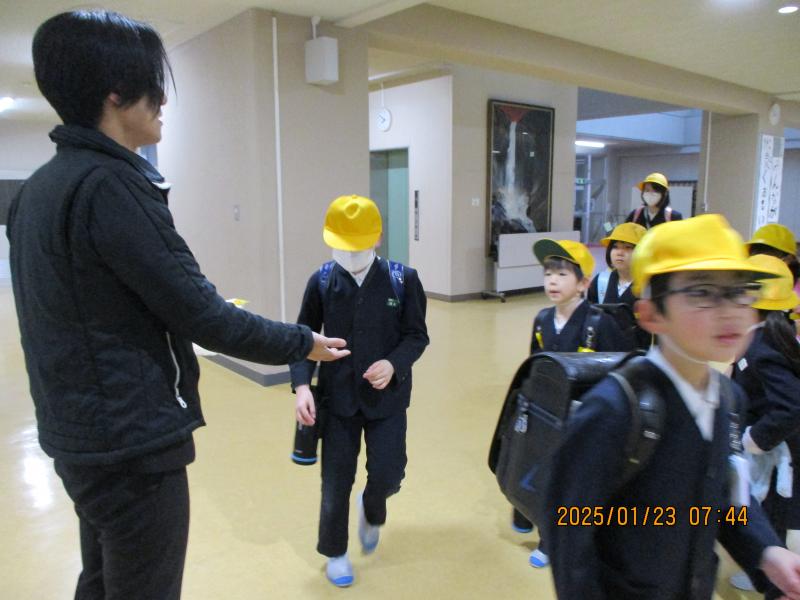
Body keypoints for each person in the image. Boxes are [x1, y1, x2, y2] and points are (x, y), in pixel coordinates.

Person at [6, 10, 348, 600]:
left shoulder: (38, 189)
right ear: (116, 93)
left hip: (77, 434)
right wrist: (303, 342)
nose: (163, 101)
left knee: (102, 577)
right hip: (131, 443)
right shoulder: (112, 187)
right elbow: (203, 315)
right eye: (152, 85)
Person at [545, 214, 800, 600]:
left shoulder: (729, 399)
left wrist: (766, 551)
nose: (730, 311)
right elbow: (569, 531)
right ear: (651, 315)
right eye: (702, 293)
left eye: (740, 292)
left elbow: (726, 494)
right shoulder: (616, 409)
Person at [289, 195, 429, 587]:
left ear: (378, 238)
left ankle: (372, 505)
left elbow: (417, 336)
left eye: (358, 246)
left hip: (387, 400)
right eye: (342, 246)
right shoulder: (321, 281)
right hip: (337, 400)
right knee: (335, 482)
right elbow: (303, 338)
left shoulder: (404, 280)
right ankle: (335, 551)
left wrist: (394, 364)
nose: (350, 255)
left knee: (389, 473)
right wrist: (302, 387)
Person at [512, 238, 635, 568]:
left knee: (573, 479)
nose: (552, 281)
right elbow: (535, 365)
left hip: (585, 418)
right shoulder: (542, 320)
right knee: (544, 469)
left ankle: (552, 541)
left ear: (583, 284)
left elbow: (623, 371)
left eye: (563, 274)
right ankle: (534, 517)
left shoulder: (599, 324)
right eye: (548, 274)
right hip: (548, 413)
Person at [730, 255, 800, 595]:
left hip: (774, 456)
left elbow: (791, 406)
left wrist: (755, 438)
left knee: (770, 520)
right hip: (770, 452)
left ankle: (776, 585)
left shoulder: (763, 346)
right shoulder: (769, 337)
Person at [587, 222, 650, 348]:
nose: (620, 253)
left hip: (639, 354)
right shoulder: (601, 281)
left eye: (628, 247)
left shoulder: (650, 285)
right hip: (604, 353)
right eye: (615, 247)